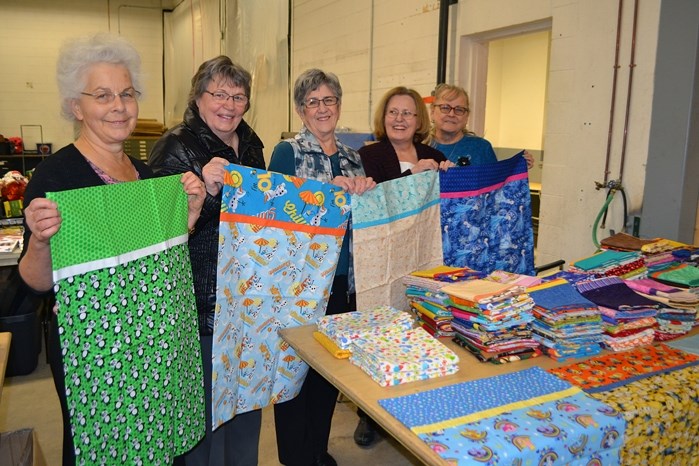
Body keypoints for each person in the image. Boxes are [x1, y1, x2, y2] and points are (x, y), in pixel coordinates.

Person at [18, 33, 206, 465]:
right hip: (99, 355)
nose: (119, 106)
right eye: (102, 95)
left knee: (157, 441)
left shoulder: (143, 172)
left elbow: (158, 256)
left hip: (153, 347)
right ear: (75, 106)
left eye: (127, 93)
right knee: (105, 449)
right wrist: (42, 240)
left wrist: (189, 215)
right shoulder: (56, 177)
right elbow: (37, 282)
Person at [148, 56, 266, 466]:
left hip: (247, 301)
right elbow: (159, 233)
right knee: (202, 418)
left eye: (238, 96)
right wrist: (207, 191)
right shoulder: (175, 145)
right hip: (200, 303)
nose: (229, 104)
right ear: (198, 97)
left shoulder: (252, 144)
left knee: (246, 408)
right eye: (219, 94)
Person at [269, 69, 375, 466]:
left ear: (339, 105)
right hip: (302, 283)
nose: (322, 108)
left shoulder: (352, 157)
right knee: (295, 374)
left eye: (329, 100)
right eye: (312, 101)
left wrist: (367, 188)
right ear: (300, 110)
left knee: (329, 376)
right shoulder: (288, 152)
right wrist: (329, 193)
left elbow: (364, 215)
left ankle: (318, 450)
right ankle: (297, 458)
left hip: (344, 282)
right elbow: (276, 210)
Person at [359, 86, 453, 183]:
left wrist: (453, 179)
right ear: (383, 118)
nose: (399, 118)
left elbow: (451, 196)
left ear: (419, 121)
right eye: (393, 112)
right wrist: (412, 174)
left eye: (407, 113)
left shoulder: (435, 156)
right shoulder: (367, 156)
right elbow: (373, 196)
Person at [428, 83, 534, 168]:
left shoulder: (481, 149)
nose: (451, 114)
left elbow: (494, 188)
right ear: (432, 112)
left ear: (466, 117)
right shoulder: (418, 146)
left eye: (459, 110)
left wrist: (518, 168)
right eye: (445, 108)